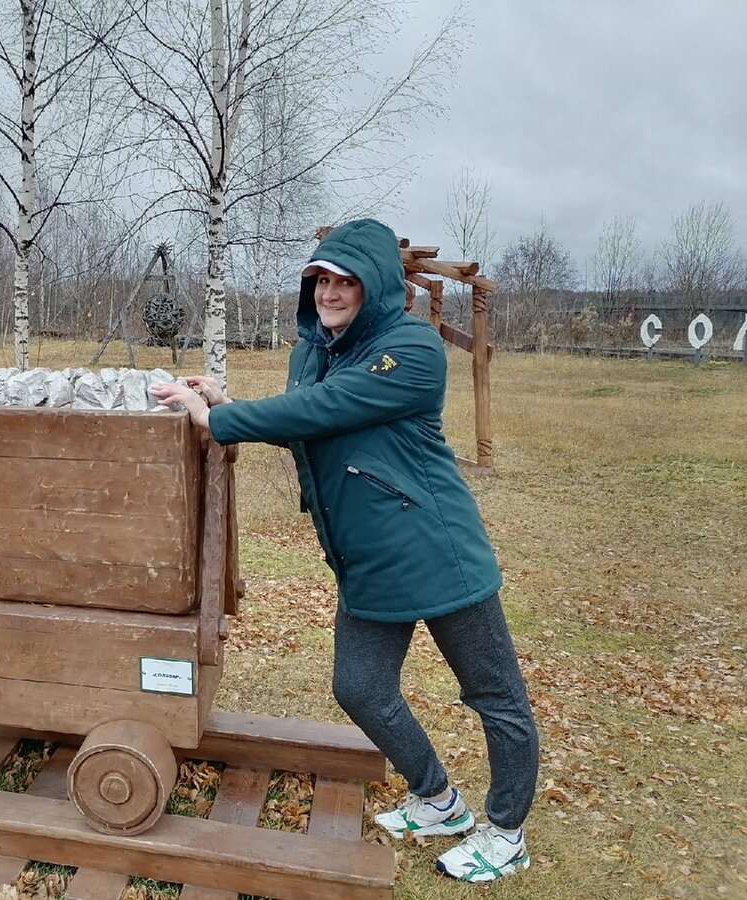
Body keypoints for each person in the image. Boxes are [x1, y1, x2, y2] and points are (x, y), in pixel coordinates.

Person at [151, 218, 538, 882]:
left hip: (439, 551)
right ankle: (439, 799)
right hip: (367, 556)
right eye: (321, 280)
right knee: (359, 687)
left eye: (346, 281)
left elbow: (327, 409)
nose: (330, 293)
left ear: (377, 286)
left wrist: (217, 420)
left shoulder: (413, 348)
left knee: (494, 695)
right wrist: (227, 399)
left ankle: (506, 834)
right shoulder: (312, 353)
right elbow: (309, 420)